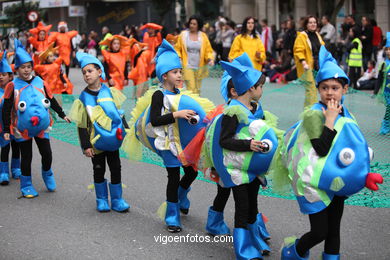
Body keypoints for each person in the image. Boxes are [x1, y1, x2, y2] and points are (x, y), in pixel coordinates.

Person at [278, 46, 383, 260]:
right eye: (324, 87)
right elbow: (321, 148)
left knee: (334, 230)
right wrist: (330, 120)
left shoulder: (347, 114)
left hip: (335, 180)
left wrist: (362, 175)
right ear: (318, 90)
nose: (329, 93)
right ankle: (293, 252)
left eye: (335, 88)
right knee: (320, 231)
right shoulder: (314, 115)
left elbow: (354, 149)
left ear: (345, 89)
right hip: (313, 182)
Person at [128, 40, 214, 232]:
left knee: (191, 172)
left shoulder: (181, 95)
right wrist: (177, 114)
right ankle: (172, 215)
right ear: (164, 75)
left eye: (180, 72)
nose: (179, 75)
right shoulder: (158, 95)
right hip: (167, 144)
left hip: (182, 143)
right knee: (173, 177)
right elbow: (155, 120)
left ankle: (182, 195)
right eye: (175, 72)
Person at [213, 59, 278, 259]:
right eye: (260, 87)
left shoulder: (255, 108)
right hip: (235, 167)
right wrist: (248, 144)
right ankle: (243, 248)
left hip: (252, 165)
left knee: (252, 203)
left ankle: (253, 238)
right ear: (250, 88)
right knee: (242, 205)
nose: (262, 90)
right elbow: (224, 141)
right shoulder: (232, 112)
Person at [2, 39, 71, 198]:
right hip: (22, 128)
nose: (26, 71)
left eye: (28, 67)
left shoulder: (41, 81)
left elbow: (51, 100)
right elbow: (6, 109)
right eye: (22, 68)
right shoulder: (12, 86)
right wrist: (7, 129)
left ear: (32, 67)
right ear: (16, 69)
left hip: (41, 126)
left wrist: (62, 114)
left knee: (47, 153)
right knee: (27, 157)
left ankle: (47, 173)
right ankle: (26, 186)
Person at [69, 52, 130, 212]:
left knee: (116, 167)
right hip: (95, 142)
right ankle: (101, 199)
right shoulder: (83, 98)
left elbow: (118, 113)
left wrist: (126, 129)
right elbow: (82, 125)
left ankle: (117, 199)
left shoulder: (110, 91)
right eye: (84, 72)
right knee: (98, 169)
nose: (87, 75)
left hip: (112, 140)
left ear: (99, 72)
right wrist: (85, 146)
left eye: (90, 71)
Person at [175, 15, 214, 94]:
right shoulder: (183, 35)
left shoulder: (203, 36)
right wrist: (179, 57)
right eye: (191, 23)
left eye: (194, 24)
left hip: (200, 66)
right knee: (191, 88)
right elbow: (177, 48)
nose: (191, 25)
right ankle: (192, 104)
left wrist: (210, 59)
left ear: (198, 25)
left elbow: (208, 50)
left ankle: (195, 105)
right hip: (187, 66)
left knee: (197, 89)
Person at [293, 15, 324, 108]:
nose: (313, 24)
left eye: (314, 22)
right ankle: (311, 111)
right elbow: (298, 50)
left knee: (315, 89)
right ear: (306, 24)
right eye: (310, 22)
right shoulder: (302, 36)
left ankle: (309, 110)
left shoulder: (317, 35)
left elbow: (323, 49)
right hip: (307, 67)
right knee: (311, 89)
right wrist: (304, 63)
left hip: (317, 66)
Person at [0, 51, 20, 185]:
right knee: (5, 147)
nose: (1, 77)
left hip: (16, 124)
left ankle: (16, 168)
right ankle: (3, 172)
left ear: (10, 76)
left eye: (3, 75)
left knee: (16, 146)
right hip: (2, 125)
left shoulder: (16, 88)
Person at [374, 32, 390, 135]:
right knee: (389, 108)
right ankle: (385, 127)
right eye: (387, 49)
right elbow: (379, 78)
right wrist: (376, 90)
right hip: (387, 92)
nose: (388, 52)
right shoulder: (384, 63)